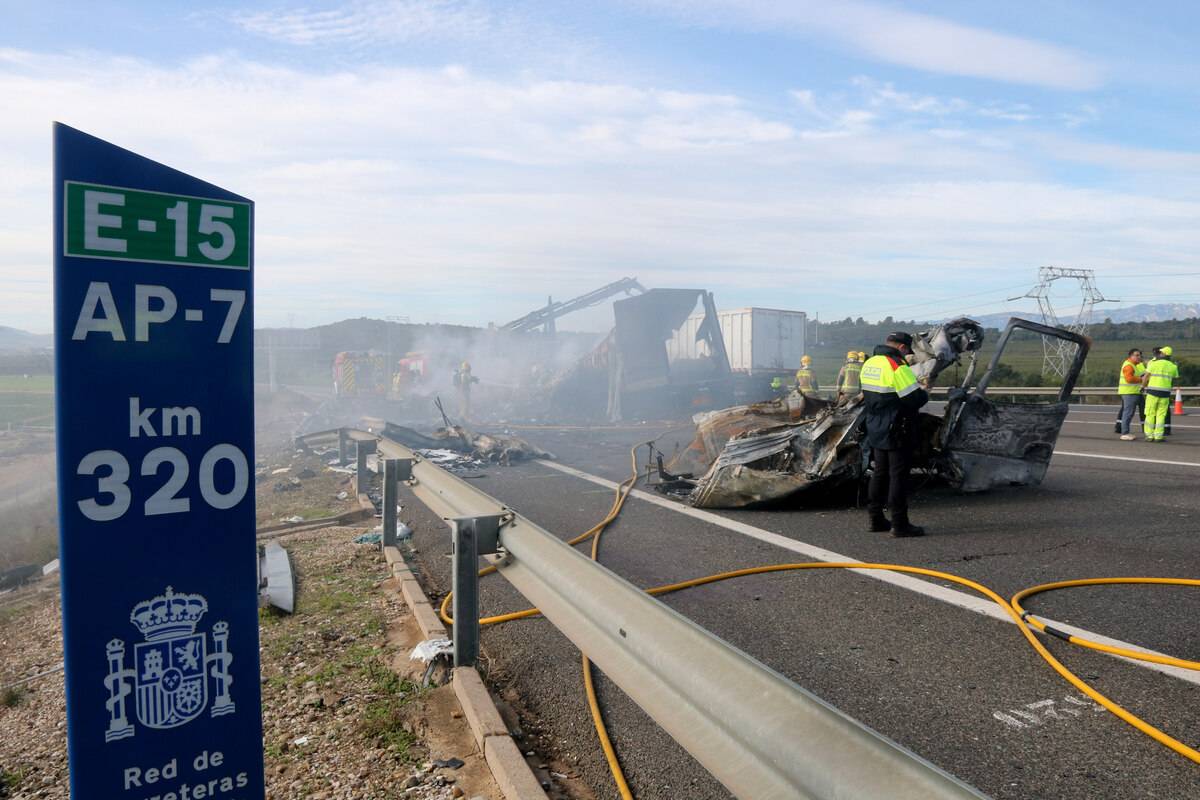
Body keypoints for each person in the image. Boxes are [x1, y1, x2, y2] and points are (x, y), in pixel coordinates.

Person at [861, 332, 929, 536]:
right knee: (898, 475)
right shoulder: (897, 366)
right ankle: (900, 524)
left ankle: (876, 519)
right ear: (901, 348)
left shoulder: (870, 363)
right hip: (896, 428)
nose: (907, 355)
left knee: (880, 473)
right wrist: (924, 391)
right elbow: (914, 399)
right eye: (907, 351)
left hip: (875, 426)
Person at [1142, 346, 1179, 442]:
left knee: (1150, 413)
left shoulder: (1154, 363)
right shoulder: (1173, 366)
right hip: (1165, 394)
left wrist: (1142, 386)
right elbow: (1175, 377)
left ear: (1163, 354)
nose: (1159, 354)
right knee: (1161, 415)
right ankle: (1158, 436)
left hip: (1152, 392)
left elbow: (1146, 376)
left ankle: (1149, 436)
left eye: (1160, 352)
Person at [1116, 348, 1145, 441]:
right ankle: (1125, 433)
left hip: (1134, 392)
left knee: (1130, 412)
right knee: (1128, 413)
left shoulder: (1135, 365)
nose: (1139, 357)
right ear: (1130, 356)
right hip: (1129, 393)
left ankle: (1126, 432)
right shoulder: (1129, 365)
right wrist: (1141, 380)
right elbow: (1129, 379)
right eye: (1136, 355)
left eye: (1139, 355)